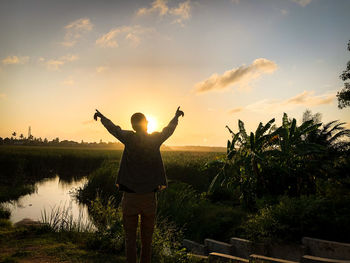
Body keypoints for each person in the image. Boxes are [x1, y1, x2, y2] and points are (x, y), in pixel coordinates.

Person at [93, 107, 184, 263]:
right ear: (145, 124)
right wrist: (175, 117)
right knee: (147, 241)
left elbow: (114, 129)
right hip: (149, 197)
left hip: (130, 197)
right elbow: (168, 130)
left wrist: (102, 117)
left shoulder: (129, 138)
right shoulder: (154, 139)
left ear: (134, 126)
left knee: (130, 239)